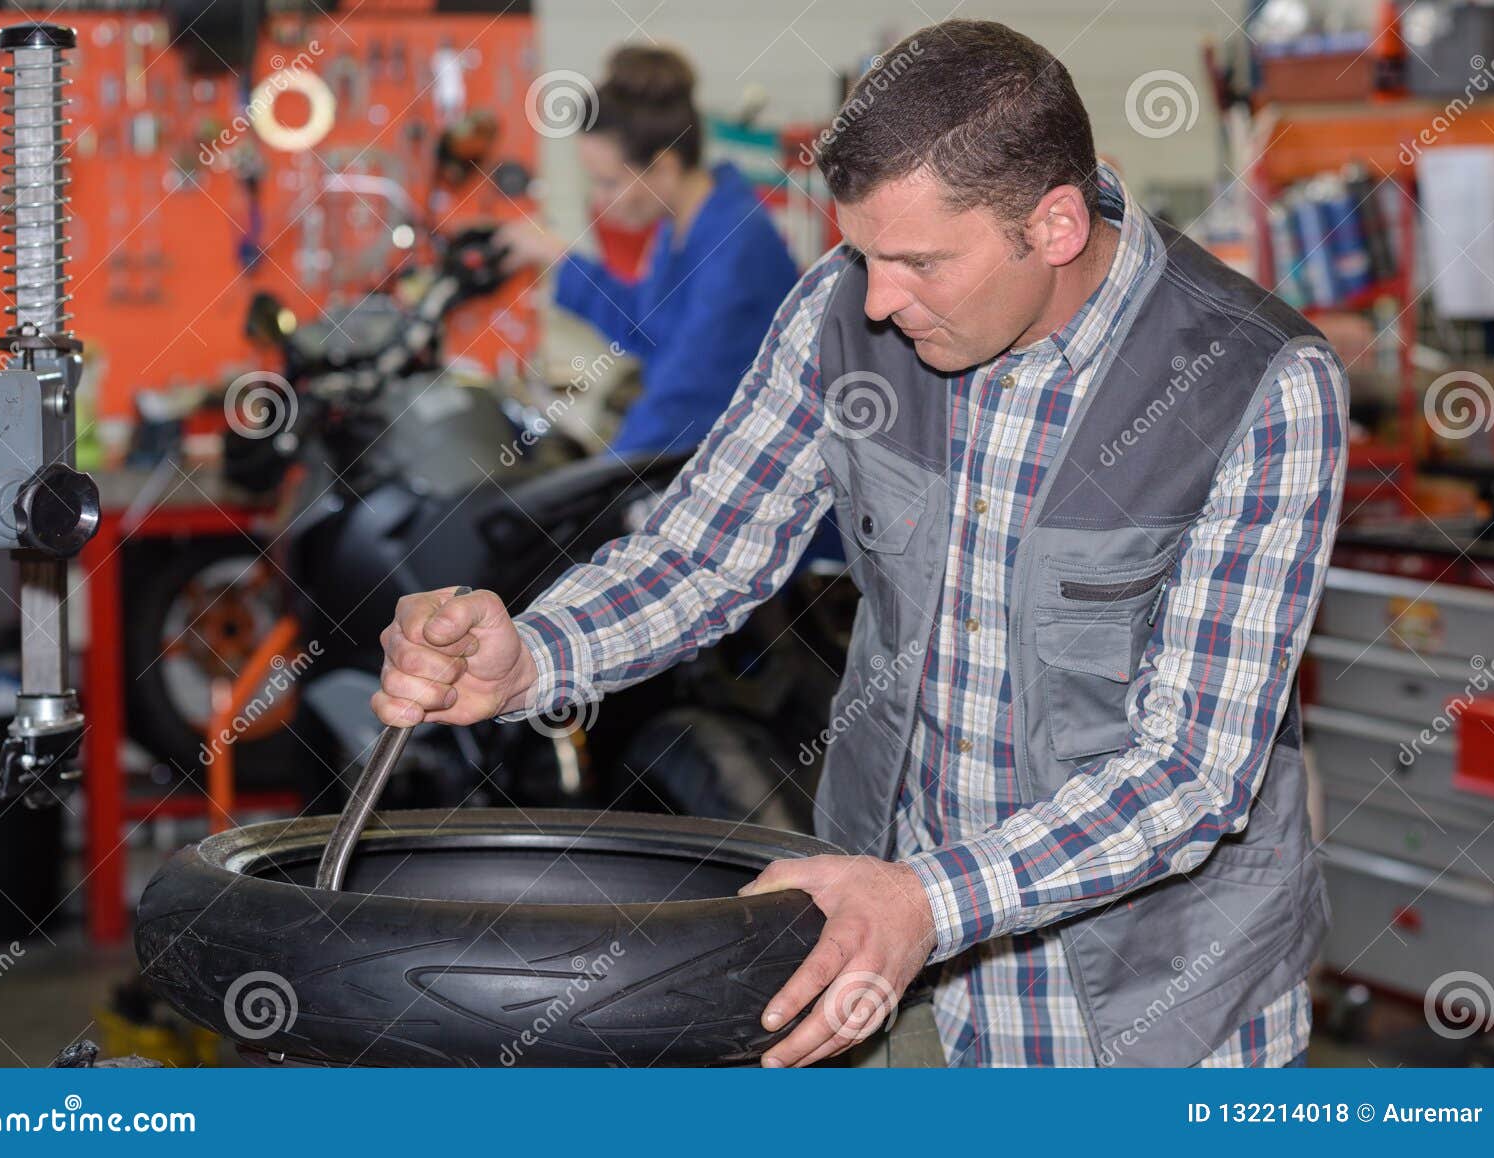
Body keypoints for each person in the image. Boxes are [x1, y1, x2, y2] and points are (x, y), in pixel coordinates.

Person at [375, 20, 1347, 1069]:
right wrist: (537, 652)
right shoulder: (845, 309)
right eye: (863, 252)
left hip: (1149, 1013)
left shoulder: (1257, 385)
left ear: (1056, 226)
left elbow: (1192, 769)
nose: (878, 297)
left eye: (919, 260)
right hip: (888, 973)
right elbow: (703, 552)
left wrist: (931, 900)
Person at [496, 45, 798, 456]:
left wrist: (598, 488)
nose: (600, 201)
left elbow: (684, 397)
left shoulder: (735, 244)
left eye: (608, 182)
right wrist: (554, 254)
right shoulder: (680, 226)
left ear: (665, 166)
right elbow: (645, 324)